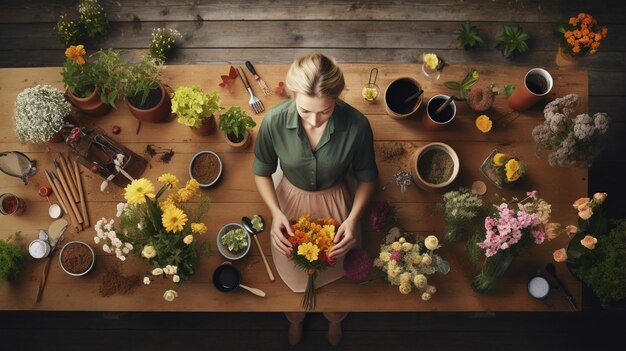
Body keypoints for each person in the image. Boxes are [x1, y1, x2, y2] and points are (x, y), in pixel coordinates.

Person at [253, 52, 378, 346]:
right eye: (305, 111)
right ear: (292, 96)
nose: (314, 121)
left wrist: (352, 218)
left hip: (337, 197)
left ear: (336, 97)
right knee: (293, 267)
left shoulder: (358, 125)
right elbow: (262, 171)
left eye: (325, 111)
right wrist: (275, 213)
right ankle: (296, 317)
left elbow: (367, 177)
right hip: (290, 197)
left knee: (338, 260)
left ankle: (335, 317)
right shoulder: (272, 121)